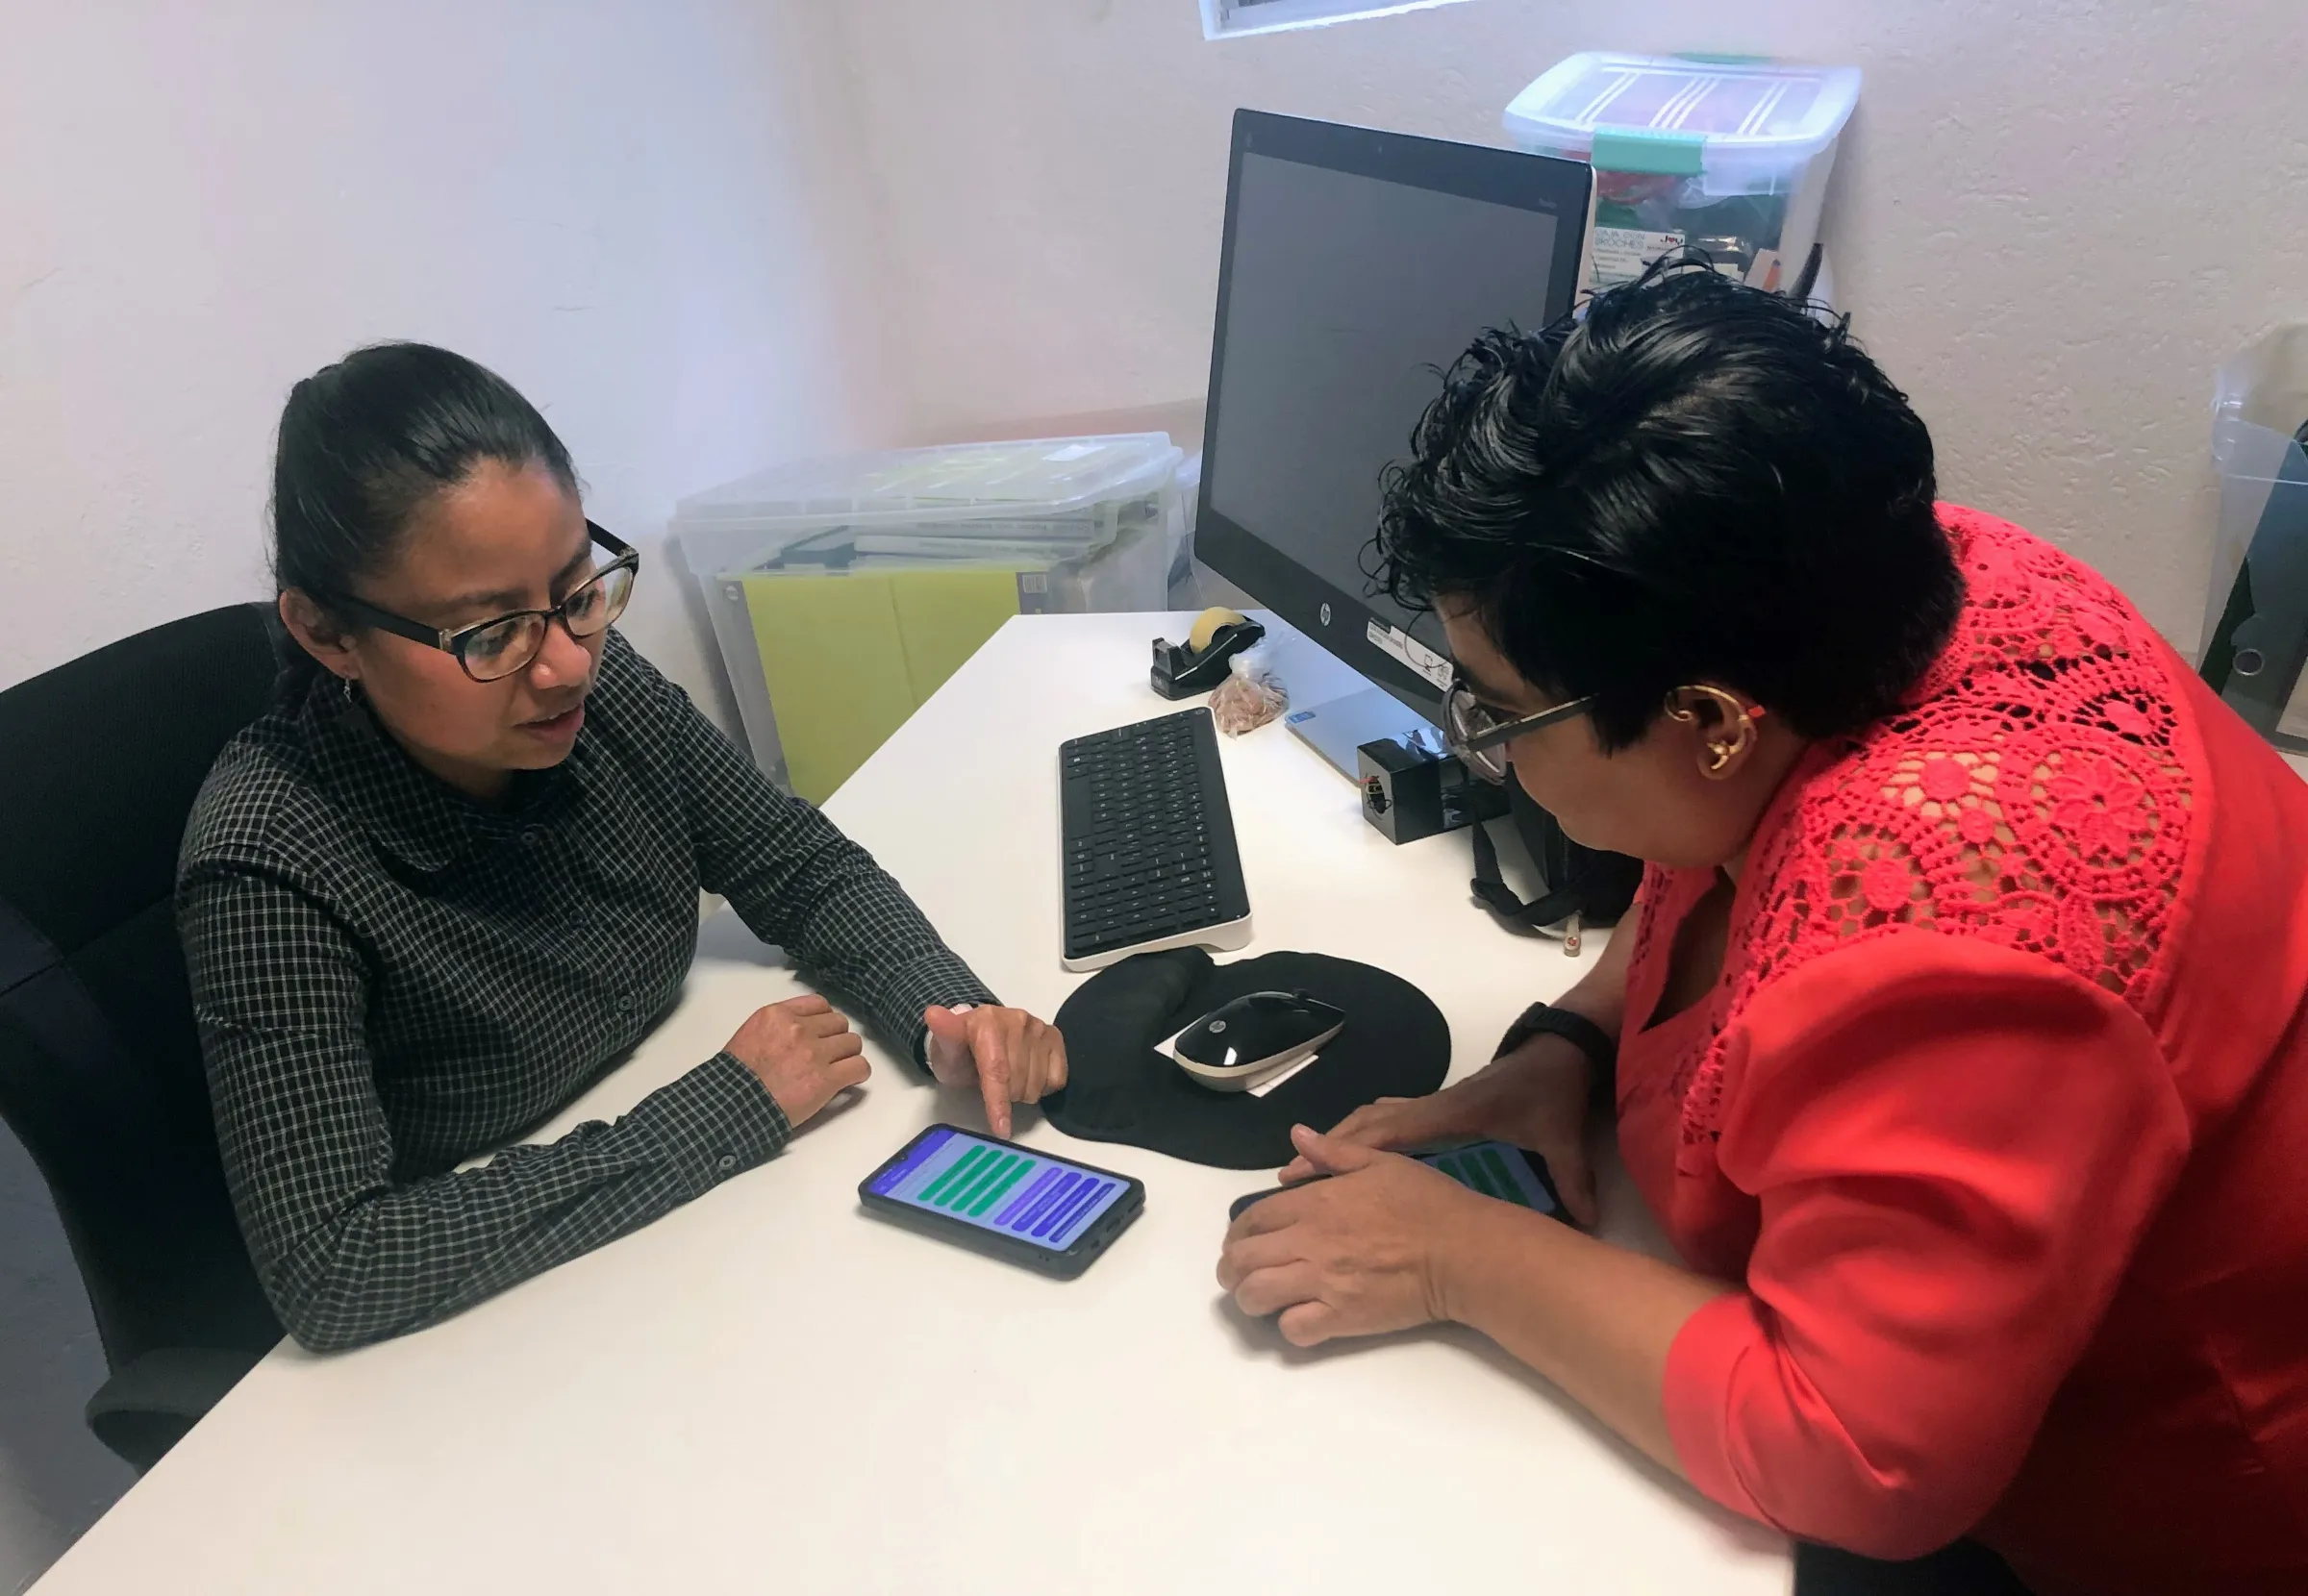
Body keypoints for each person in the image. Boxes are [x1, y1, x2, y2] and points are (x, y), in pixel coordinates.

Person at [1215, 264, 2308, 1596]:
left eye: (1499, 715)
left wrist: (1458, 1255)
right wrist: (1562, 1048)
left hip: (2177, 1497)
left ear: (1713, 720)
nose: (1481, 751)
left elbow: (1860, 1455)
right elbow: (1715, 861)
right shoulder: (1875, 583)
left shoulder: (1951, 960)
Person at [180, 342, 1066, 1354]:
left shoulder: (593, 688)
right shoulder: (269, 862)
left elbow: (796, 867)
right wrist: (728, 1106)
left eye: (576, 590)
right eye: (488, 634)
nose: (563, 665)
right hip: (506, 1335)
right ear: (329, 636)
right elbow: (337, 1267)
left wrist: (947, 1011)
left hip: (704, 1243)